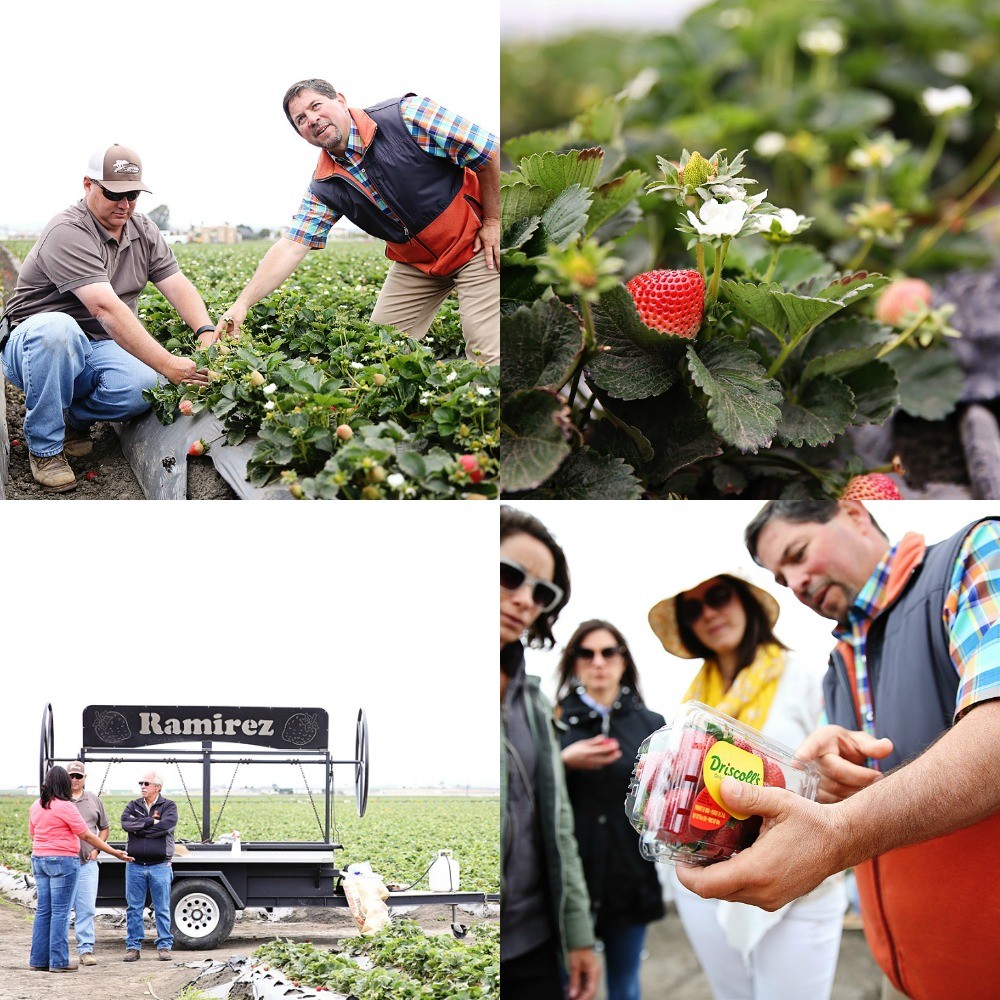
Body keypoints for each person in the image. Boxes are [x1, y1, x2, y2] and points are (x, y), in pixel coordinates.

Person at [676, 501, 1000, 1000]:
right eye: (782, 579)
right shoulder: (839, 659)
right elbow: (855, 796)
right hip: (903, 973)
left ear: (854, 512)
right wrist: (817, 785)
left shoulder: (974, 555)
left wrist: (838, 835)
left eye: (798, 553)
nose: (797, 581)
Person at [648, 570, 847, 1000]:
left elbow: (834, 773)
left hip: (797, 881)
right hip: (706, 882)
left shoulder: (803, 679)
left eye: (718, 596)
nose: (708, 613)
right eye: (692, 608)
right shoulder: (689, 702)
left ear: (746, 603)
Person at [215, 80, 499, 366]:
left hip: (474, 243)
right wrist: (242, 303)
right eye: (301, 119)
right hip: (419, 264)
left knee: (485, 358)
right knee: (382, 351)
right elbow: (291, 245)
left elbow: (488, 151)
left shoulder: (407, 116)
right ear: (301, 134)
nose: (312, 119)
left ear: (340, 100)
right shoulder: (325, 184)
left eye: (316, 106)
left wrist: (493, 220)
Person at [0, 143, 216, 492]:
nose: (125, 204)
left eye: (132, 194)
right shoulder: (68, 231)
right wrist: (168, 364)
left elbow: (177, 285)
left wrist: (205, 330)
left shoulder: (142, 229)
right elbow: (104, 308)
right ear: (88, 184)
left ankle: (71, 417)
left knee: (142, 388)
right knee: (59, 331)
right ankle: (45, 448)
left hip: (97, 343)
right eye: (114, 193)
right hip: (34, 344)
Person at [500, 506, 600, 1000]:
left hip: (534, 944)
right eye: (508, 575)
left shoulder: (536, 705)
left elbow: (559, 827)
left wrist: (578, 933)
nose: (523, 600)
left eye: (542, 593)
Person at [554, 620, 666, 1000]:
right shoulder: (552, 723)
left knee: (625, 986)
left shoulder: (653, 726)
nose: (597, 662)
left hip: (628, 876)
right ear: (573, 663)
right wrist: (562, 762)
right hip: (570, 880)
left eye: (608, 652)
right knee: (570, 987)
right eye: (586, 653)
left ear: (623, 660)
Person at [29, 766, 131, 973]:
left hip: (39, 859)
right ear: (64, 783)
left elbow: (33, 834)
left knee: (43, 911)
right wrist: (114, 852)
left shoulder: (37, 805)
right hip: (63, 861)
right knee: (60, 912)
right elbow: (86, 835)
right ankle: (58, 962)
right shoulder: (65, 806)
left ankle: (38, 960)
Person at [121, 771, 178, 962]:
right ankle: (133, 947)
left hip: (160, 865)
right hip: (135, 865)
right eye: (141, 783)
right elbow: (126, 824)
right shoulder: (133, 805)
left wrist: (141, 830)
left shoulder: (168, 806)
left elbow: (166, 826)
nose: (143, 786)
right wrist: (149, 822)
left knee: (162, 907)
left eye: (147, 783)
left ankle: (164, 946)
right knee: (134, 908)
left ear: (158, 787)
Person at [67, 761, 110, 966]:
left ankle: (85, 950)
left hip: (87, 864)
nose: (74, 780)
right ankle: (57, 950)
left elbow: (104, 828)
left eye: (78, 776)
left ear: (85, 778)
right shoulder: (59, 800)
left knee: (86, 908)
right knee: (62, 910)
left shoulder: (94, 800)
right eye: (71, 776)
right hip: (64, 863)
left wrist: (97, 848)